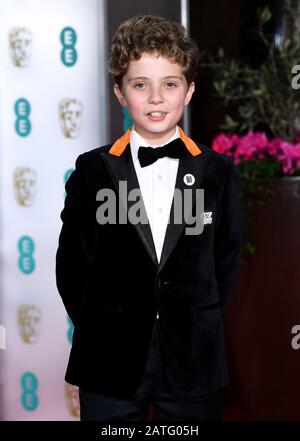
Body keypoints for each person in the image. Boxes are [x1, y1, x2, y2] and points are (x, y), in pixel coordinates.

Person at [55, 14, 243, 421]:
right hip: (108, 358)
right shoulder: (92, 170)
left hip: (194, 357)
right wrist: (103, 324)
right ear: (121, 93)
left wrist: (194, 315)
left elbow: (226, 260)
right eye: (141, 85)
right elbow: (71, 266)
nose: (156, 99)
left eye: (169, 84)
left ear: (189, 91)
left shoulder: (219, 172)